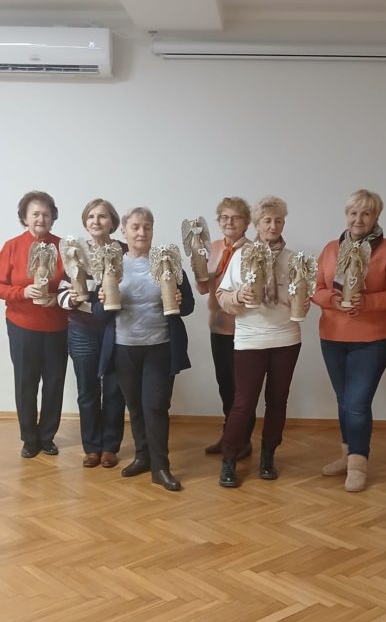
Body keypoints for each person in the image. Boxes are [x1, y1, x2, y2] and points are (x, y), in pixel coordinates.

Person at [313, 189, 386, 492]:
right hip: (332, 337)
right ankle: (347, 454)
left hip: (372, 339)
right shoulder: (331, 249)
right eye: (353, 213)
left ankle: (358, 463)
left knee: (357, 402)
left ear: (376, 216)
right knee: (343, 400)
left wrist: (367, 303)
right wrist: (333, 300)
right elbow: (315, 288)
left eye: (366, 213)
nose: (358, 219)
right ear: (347, 215)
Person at [216, 195, 306, 488]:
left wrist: (303, 303)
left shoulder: (293, 258)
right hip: (250, 340)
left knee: (277, 401)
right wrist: (238, 296)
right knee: (243, 403)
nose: (273, 225)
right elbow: (222, 295)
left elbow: (303, 295)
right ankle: (229, 459)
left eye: (278, 220)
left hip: (286, 338)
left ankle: (268, 455)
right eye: (267, 220)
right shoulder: (242, 255)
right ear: (256, 224)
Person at [111, 207, 194, 491]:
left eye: (147, 227)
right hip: (124, 347)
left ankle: (161, 467)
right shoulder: (113, 264)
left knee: (155, 406)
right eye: (135, 227)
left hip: (159, 347)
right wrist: (101, 298)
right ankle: (142, 457)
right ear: (124, 230)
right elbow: (100, 310)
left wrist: (179, 300)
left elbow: (188, 306)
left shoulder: (168, 261)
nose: (141, 232)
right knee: (135, 406)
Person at [57, 199, 126, 468]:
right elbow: (62, 294)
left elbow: (131, 290)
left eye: (102, 216)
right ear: (86, 222)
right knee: (87, 391)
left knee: (114, 390)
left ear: (113, 222)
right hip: (81, 330)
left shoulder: (124, 252)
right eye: (91, 217)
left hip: (115, 330)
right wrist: (74, 300)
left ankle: (110, 447)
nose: (96, 221)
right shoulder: (75, 251)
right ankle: (92, 448)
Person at [0, 190, 68, 457]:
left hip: (57, 327)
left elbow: (74, 286)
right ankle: (29, 438)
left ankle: (47, 436)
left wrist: (57, 297)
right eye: (35, 214)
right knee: (25, 383)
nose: (41, 218)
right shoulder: (12, 246)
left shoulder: (64, 247)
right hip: (22, 326)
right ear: (25, 218)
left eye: (46, 214)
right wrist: (23, 292)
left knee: (54, 382)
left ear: (53, 217)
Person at [192, 196, 253, 457]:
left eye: (235, 217)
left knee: (242, 391)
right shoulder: (213, 247)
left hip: (245, 330)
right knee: (225, 386)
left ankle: (243, 441)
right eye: (224, 217)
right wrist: (197, 270)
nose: (229, 222)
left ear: (246, 222)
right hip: (218, 328)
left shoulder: (253, 251)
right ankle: (230, 436)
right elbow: (204, 289)